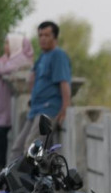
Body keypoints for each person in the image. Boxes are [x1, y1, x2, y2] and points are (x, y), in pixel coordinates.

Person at [9, 21, 72, 160]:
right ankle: (11, 181)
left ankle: (31, 181)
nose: (43, 38)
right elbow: (33, 77)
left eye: (47, 35)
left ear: (55, 37)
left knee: (31, 148)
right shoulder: (43, 56)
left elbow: (64, 83)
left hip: (48, 109)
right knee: (17, 148)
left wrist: (65, 109)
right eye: (40, 35)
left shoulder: (58, 55)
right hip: (35, 109)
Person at [0, 34, 34, 175]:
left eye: (7, 43)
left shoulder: (20, 60)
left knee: (1, 136)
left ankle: (0, 169)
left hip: (6, 105)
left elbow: (3, 69)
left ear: (15, 45)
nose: (5, 46)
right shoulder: (7, 59)